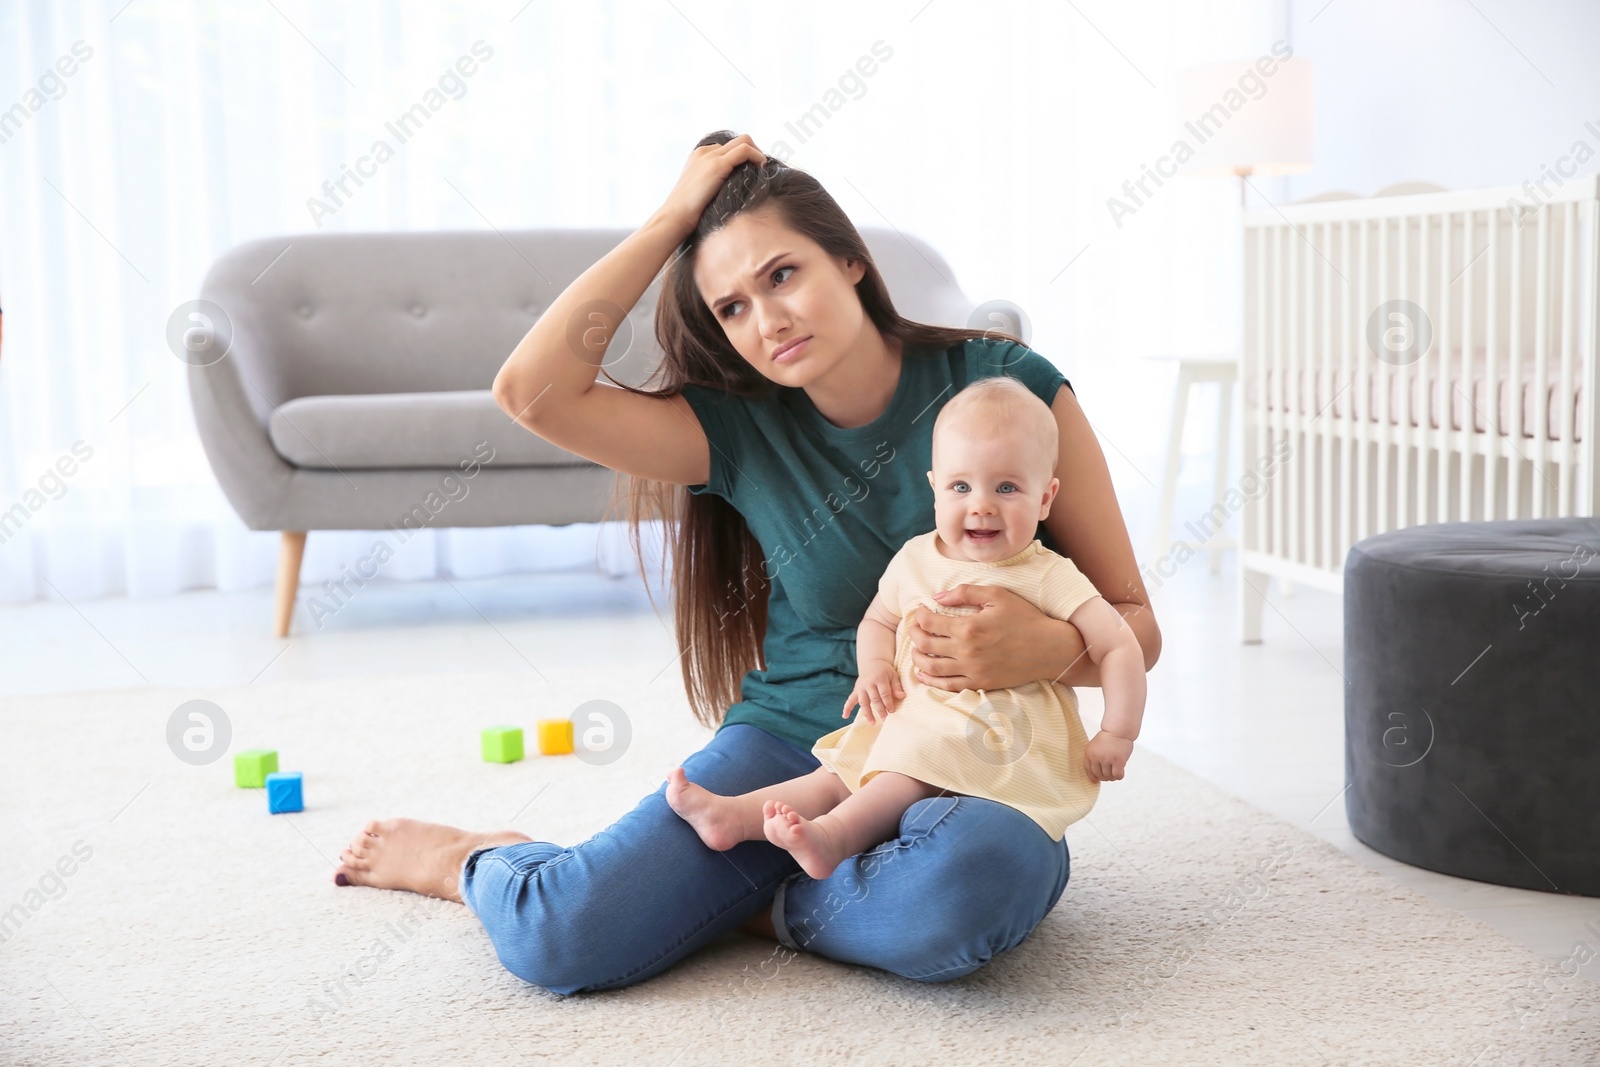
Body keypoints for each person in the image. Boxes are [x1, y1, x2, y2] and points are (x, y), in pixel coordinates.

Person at [332, 131, 1161, 996]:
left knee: (968, 886)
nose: (768, 321)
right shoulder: (735, 426)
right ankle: (475, 857)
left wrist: (1044, 650)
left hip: (975, 764)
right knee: (562, 934)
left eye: (781, 275)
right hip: (795, 746)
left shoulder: (1008, 391)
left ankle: (759, 903)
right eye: (730, 307)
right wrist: (670, 221)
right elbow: (529, 392)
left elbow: (1136, 623)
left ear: (849, 262)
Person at [663, 375, 1146, 880]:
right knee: (838, 772)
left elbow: (1118, 644)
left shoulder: (1047, 574)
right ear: (935, 487)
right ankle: (734, 817)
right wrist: (873, 668)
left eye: (1007, 487)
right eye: (962, 486)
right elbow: (879, 618)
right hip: (916, 714)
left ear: (1045, 499)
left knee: (901, 772)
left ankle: (834, 838)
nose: (981, 505)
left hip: (993, 735)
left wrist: (1118, 732)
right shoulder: (916, 557)